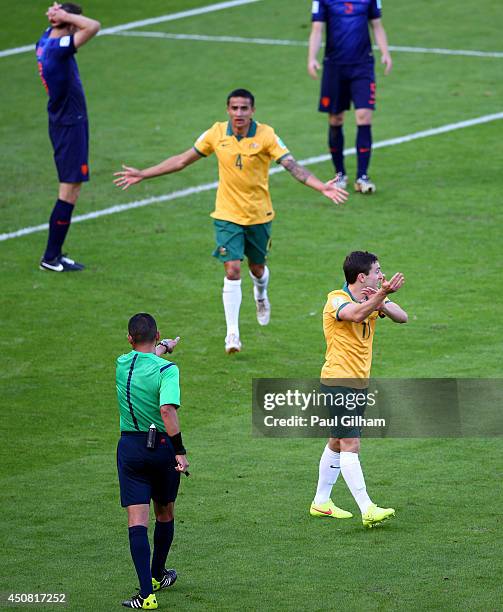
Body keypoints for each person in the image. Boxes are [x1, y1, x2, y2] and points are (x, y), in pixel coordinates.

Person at [114, 89, 348, 354]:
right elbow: (181, 160)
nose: (239, 113)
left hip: (259, 216)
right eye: (234, 108)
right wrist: (144, 174)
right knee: (232, 270)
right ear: (227, 110)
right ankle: (232, 335)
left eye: (244, 108)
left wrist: (321, 187)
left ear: (252, 111)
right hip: (226, 216)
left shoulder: (266, 135)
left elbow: (292, 165)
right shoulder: (215, 133)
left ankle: (260, 294)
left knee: (257, 269)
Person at [309, 251, 407, 528]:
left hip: (358, 383)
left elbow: (403, 317)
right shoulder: (336, 299)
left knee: (337, 441)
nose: (381, 275)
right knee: (351, 444)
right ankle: (367, 508)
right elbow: (354, 315)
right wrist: (378, 297)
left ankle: (321, 501)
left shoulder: (373, 297)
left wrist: (382, 299)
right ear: (362, 276)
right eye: (377, 271)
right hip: (339, 382)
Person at [116, 313, 189, 609]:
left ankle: (147, 593)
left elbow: (144, 358)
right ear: (157, 334)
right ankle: (158, 573)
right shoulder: (168, 370)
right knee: (164, 513)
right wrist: (179, 451)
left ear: (130, 339)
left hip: (131, 449)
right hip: (161, 448)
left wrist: (164, 346)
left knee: (137, 521)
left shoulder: (122, 364)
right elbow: (168, 411)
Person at [36, 2, 100, 272]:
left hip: (66, 122)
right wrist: (64, 15)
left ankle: (55, 254)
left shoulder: (45, 41)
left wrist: (58, 15)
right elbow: (94, 26)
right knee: (69, 190)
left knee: (71, 188)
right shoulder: (57, 50)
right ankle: (50, 257)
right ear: (71, 23)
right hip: (68, 125)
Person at [308, 0, 392, 194]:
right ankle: (340, 174)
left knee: (364, 116)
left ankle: (362, 176)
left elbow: (377, 26)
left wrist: (385, 53)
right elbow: (317, 29)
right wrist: (311, 57)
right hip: (334, 66)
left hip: (363, 65)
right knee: (335, 119)